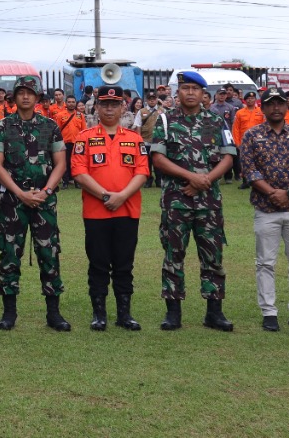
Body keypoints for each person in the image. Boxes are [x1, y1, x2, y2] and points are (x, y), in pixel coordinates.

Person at [149, 71, 237, 332]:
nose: (189, 93)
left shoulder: (217, 121)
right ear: (178, 93)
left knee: (213, 256)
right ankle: (173, 312)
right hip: (176, 201)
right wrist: (192, 177)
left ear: (203, 94)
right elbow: (158, 159)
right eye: (185, 88)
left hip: (209, 202)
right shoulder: (165, 120)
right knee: (173, 255)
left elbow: (229, 156)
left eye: (195, 89)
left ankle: (214, 311)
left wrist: (205, 180)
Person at [0, 75, 71, 332]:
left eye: (30, 92)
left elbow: (60, 164)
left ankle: (53, 313)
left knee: (49, 253)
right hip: (12, 202)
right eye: (21, 92)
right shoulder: (1, 127)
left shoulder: (50, 126)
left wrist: (46, 190)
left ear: (37, 98)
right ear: (14, 97)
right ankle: (9, 312)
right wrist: (20, 193)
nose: (25, 96)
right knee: (10, 254)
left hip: (44, 202)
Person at [70, 85, 148, 332]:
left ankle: (124, 314)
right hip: (96, 213)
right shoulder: (85, 137)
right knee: (98, 263)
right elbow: (79, 172)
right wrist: (106, 196)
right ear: (97, 107)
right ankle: (99, 314)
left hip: (127, 211)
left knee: (124, 264)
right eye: (104, 104)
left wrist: (122, 196)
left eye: (114, 104)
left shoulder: (135, 139)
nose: (110, 108)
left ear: (123, 107)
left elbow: (142, 172)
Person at [238, 88, 289, 332]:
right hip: (265, 208)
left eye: (280, 103)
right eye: (270, 103)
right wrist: (273, 193)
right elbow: (250, 171)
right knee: (265, 263)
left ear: (287, 106)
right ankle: (269, 312)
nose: (276, 108)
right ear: (263, 107)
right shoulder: (252, 136)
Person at [231, 92, 263, 189]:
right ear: (245, 100)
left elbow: (264, 126)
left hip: (258, 141)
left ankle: (259, 182)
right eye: (248, 98)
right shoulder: (240, 113)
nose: (250, 100)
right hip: (244, 141)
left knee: (259, 162)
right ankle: (245, 181)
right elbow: (235, 128)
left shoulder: (261, 111)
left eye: (252, 98)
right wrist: (237, 143)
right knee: (244, 162)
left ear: (255, 100)